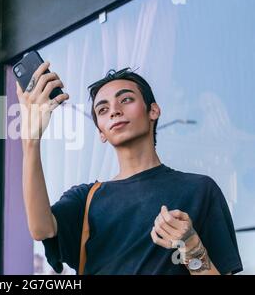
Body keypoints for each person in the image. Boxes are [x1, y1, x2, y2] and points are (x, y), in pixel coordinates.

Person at [16, 62, 243, 275]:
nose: (114, 110)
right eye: (102, 110)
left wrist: (192, 247)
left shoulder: (200, 190)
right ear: (101, 133)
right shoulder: (86, 199)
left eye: (125, 100)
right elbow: (41, 229)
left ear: (153, 111)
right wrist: (30, 139)